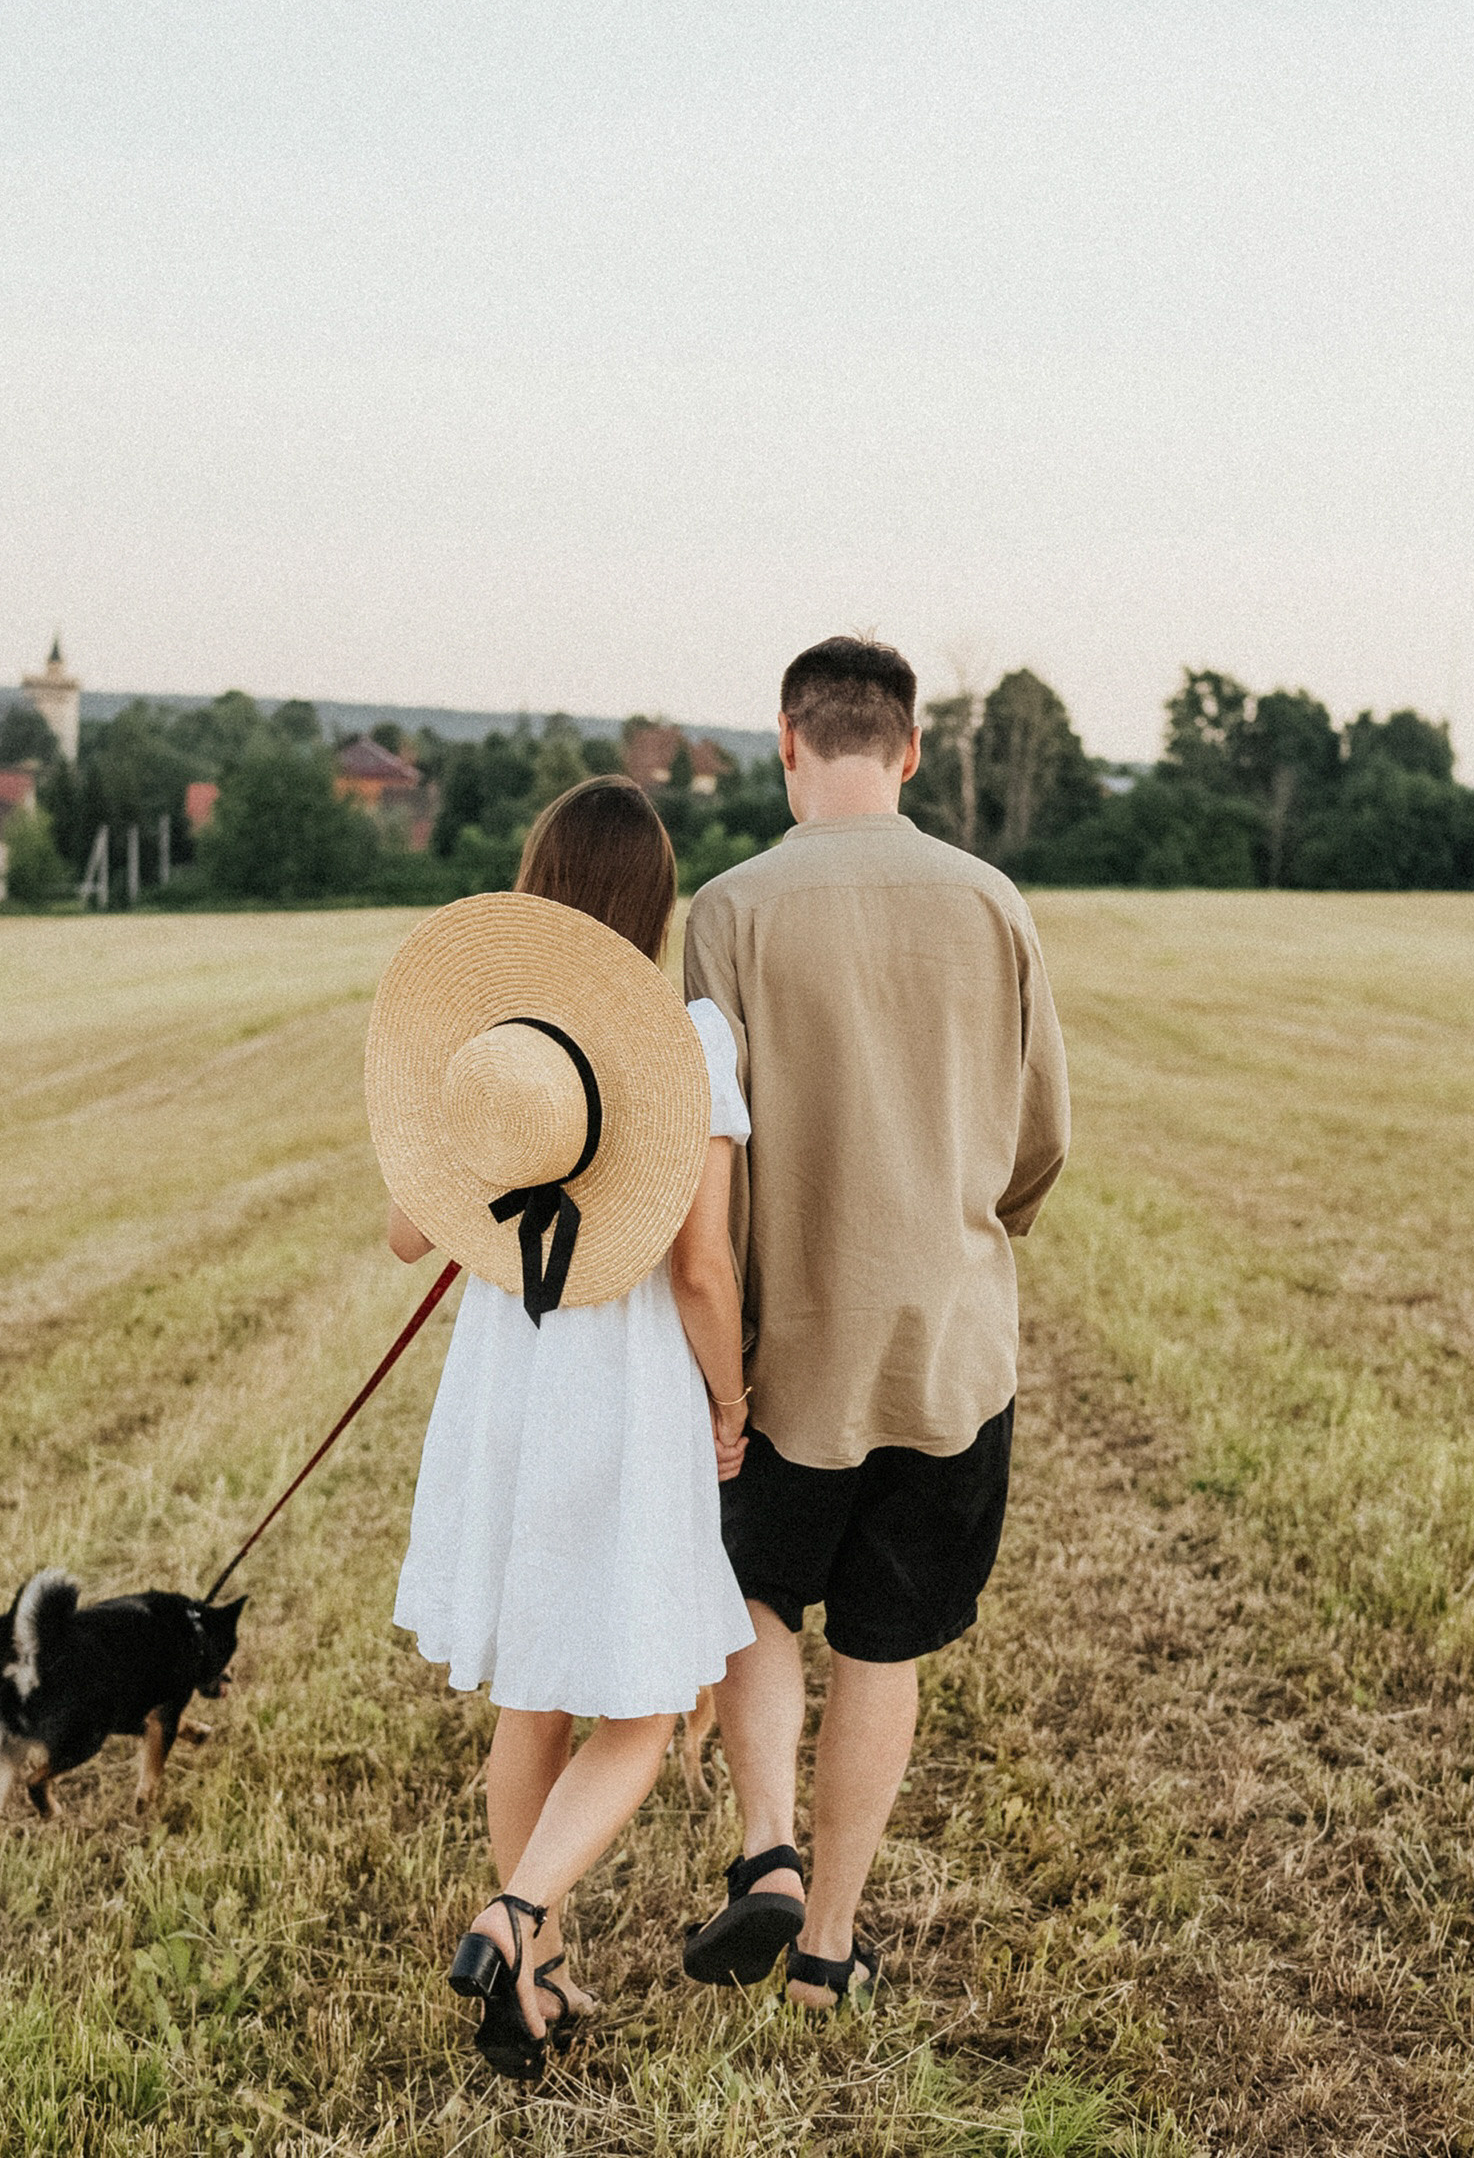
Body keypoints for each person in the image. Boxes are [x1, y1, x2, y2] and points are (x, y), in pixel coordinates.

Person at [680, 636, 1070, 2011]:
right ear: (906, 752)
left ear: (789, 741)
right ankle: (830, 1951)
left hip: (788, 1351)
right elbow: (1041, 1144)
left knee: (754, 1595)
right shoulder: (992, 901)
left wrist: (714, 1358)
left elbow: (700, 1165)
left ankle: (766, 1852)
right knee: (887, 1645)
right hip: (949, 1354)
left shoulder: (727, 913)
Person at [368, 777, 755, 2081]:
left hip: (508, 1383)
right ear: (656, 900)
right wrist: (734, 1396)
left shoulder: (494, 1043)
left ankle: (525, 1983)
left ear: (533, 884)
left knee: (533, 1695)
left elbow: (407, 1230)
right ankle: (517, 1917)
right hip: (626, 1387)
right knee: (642, 1706)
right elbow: (701, 1270)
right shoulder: (687, 1035)